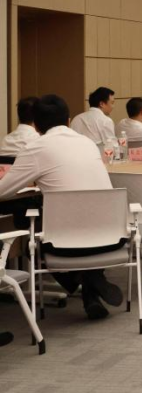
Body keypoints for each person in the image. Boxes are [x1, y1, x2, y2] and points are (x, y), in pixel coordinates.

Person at [0, 95, 120, 320]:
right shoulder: (88, 144)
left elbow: (3, 190)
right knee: (79, 220)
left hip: (65, 244)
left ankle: (81, 280)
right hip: (111, 237)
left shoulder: (36, 147)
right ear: (68, 120)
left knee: (28, 236)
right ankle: (91, 288)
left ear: (36, 126)